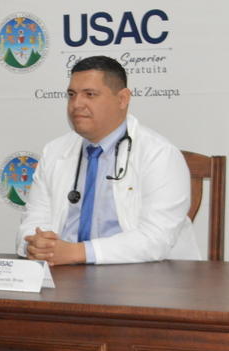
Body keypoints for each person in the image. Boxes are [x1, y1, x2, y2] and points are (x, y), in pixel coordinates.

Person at [17, 55, 200, 265]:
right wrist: (36, 245)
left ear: (122, 99)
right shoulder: (54, 151)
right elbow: (33, 219)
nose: (76, 104)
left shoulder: (159, 154)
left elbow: (156, 239)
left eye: (90, 94)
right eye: (72, 94)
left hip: (144, 275)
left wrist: (78, 252)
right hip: (63, 271)